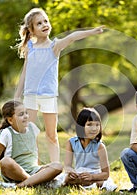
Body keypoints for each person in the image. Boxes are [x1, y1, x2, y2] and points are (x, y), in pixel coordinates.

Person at [14, 8, 104, 163]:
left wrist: (92, 32)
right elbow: (25, 71)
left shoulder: (54, 46)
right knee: (30, 132)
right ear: (31, 30)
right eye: (39, 23)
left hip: (48, 96)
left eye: (46, 21)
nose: (44, 25)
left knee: (51, 134)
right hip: (30, 95)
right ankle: (33, 165)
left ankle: (55, 166)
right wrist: (17, 95)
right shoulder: (30, 47)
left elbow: (72, 37)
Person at [0, 100, 63, 188]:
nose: (25, 116)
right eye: (21, 114)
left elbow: (36, 152)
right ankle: (36, 182)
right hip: (14, 172)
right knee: (5, 161)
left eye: (26, 113)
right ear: (10, 120)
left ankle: (19, 186)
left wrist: (40, 170)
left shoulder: (33, 128)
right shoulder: (6, 133)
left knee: (58, 166)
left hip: (34, 170)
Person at [60, 108, 117, 191]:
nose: (94, 129)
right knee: (64, 178)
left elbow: (106, 174)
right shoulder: (71, 142)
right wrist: (71, 172)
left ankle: (90, 185)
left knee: (106, 183)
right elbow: (67, 166)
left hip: (94, 176)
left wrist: (91, 177)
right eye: (89, 124)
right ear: (81, 126)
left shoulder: (100, 146)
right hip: (79, 174)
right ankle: (81, 184)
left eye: (97, 125)